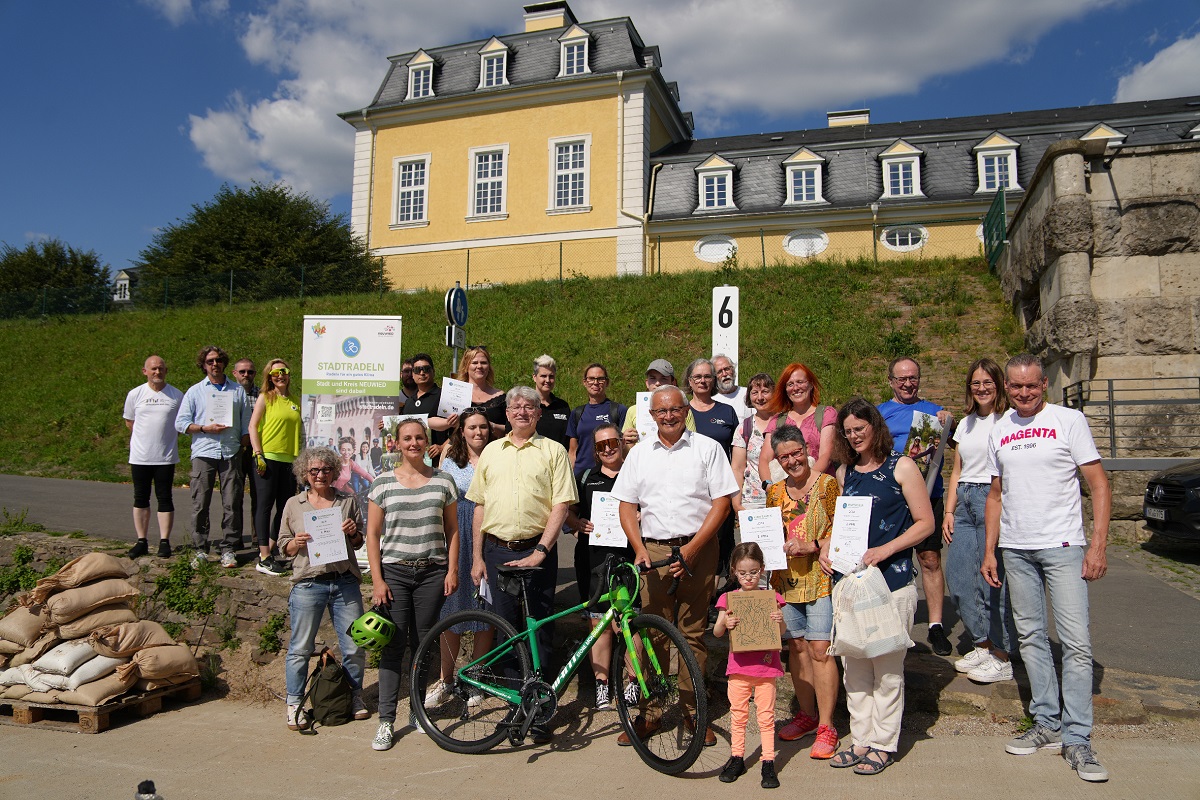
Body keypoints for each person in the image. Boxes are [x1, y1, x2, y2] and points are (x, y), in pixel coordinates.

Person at [982, 354, 1112, 782]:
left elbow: (1098, 484)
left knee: (1076, 643)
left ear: (1044, 386)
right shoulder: (999, 429)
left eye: (1032, 387)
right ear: (1007, 388)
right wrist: (990, 550)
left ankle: (1078, 738)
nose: (1023, 394)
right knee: (1032, 637)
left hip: (1063, 545)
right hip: (1017, 548)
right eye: (1016, 387)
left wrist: (1097, 546)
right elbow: (997, 494)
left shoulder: (1068, 421)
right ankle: (1046, 722)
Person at [611, 384, 739, 747]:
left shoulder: (708, 449)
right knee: (653, 634)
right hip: (653, 552)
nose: (667, 416)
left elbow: (721, 504)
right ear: (651, 415)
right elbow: (626, 505)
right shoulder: (639, 455)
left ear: (686, 411)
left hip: (699, 549)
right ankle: (650, 714)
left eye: (674, 409)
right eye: (660, 411)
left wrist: (694, 550)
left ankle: (692, 712)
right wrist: (638, 549)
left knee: (693, 634)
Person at [818, 397, 934, 775]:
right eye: (848, 432)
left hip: (892, 582)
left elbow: (925, 523)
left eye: (859, 429)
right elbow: (840, 525)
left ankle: (884, 744)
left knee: (886, 668)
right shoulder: (844, 472)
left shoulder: (902, 466)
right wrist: (825, 549)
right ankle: (861, 738)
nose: (854, 437)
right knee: (855, 669)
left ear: (875, 428)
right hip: (851, 583)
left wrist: (887, 548)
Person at [466, 385, 577, 742]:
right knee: (507, 630)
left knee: (540, 629)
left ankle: (542, 708)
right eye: (515, 407)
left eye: (529, 407)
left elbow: (561, 504)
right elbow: (479, 506)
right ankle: (517, 702)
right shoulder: (491, 452)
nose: (522, 412)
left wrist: (542, 550)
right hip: (497, 552)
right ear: (508, 414)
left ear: (538, 413)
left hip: (537, 551)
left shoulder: (553, 450)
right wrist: (477, 556)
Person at [366, 418, 459, 751]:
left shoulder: (444, 481)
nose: (414, 443)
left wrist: (452, 570)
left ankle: (418, 711)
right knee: (393, 646)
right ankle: (386, 721)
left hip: (432, 573)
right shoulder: (382, 484)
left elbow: (452, 531)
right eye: (408, 438)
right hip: (395, 574)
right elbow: (373, 535)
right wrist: (377, 580)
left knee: (424, 644)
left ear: (426, 440)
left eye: (420, 437)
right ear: (397, 442)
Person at [278, 446, 369, 729]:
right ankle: (294, 703)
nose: (320, 475)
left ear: (334, 472)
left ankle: (355, 696)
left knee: (354, 646)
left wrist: (353, 533)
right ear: (305, 473)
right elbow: (283, 545)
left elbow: (358, 543)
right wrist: (297, 543)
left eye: (325, 470)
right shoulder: (294, 504)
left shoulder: (347, 501)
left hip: (343, 581)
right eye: (314, 470)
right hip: (308, 583)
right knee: (300, 648)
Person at [765, 425, 841, 759]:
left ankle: (827, 725)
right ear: (777, 460)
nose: (793, 460)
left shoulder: (827, 485)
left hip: (820, 578)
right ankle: (807, 715)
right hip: (786, 580)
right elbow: (768, 536)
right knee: (796, 647)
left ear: (806, 450)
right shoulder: (775, 492)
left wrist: (811, 545)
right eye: (785, 456)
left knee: (820, 649)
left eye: (797, 452)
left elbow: (844, 530)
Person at [944, 358, 1016, 683]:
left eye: (988, 382)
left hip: (993, 497)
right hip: (964, 502)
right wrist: (948, 510)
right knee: (959, 578)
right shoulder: (966, 423)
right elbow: (956, 471)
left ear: (998, 384)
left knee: (991, 581)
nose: (982, 388)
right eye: (976, 382)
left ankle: (1001, 655)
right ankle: (982, 643)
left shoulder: (1009, 420)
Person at [877, 357, 954, 656]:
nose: (907, 383)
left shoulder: (935, 412)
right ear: (891, 381)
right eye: (901, 379)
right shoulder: (881, 413)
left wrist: (951, 423)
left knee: (930, 559)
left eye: (913, 378)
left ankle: (935, 625)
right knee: (889, 558)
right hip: (893, 497)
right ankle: (889, 620)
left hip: (928, 494)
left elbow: (957, 445)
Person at [427, 408, 495, 707]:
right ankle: (446, 678)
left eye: (482, 427)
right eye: (472, 428)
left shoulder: (497, 455)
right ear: (462, 430)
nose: (478, 432)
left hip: (489, 530)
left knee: (486, 606)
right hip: (456, 530)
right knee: (451, 607)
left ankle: (476, 677)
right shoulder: (450, 458)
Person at [563, 422, 633, 710]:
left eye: (612, 442)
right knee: (597, 622)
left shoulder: (635, 474)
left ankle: (632, 683)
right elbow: (567, 510)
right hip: (593, 560)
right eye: (601, 445)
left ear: (621, 442)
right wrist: (576, 523)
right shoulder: (586, 477)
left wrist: (640, 517)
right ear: (595, 449)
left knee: (628, 622)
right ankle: (602, 686)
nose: (608, 448)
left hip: (628, 557)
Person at [713, 542, 785, 789]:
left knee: (766, 717)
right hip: (739, 668)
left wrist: (779, 620)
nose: (749, 577)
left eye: (754, 572)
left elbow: (782, 632)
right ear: (734, 571)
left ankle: (768, 761)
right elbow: (717, 631)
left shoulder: (772, 597)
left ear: (762, 569)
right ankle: (737, 757)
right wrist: (727, 624)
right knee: (739, 715)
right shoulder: (728, 599)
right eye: (743, 573)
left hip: (766, 668)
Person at [175, 345, 251, 568]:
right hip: (204, 451)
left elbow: (246, 421)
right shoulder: (195, 391)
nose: (215, 364)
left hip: (230, 452)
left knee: (232, 502)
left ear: (224, 362)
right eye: (210, 361)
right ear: (204, 365)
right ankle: (200, 549)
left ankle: (229, 548)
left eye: (218, 360)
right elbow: (180, 423)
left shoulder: (237, 391)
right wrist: (203, 428)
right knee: (200, 502)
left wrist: (246, 439)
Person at [123, 355, 184, 559]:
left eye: (161, 368)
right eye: (153, 369)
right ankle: (141, 541)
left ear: (166, 371)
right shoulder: (135, 394)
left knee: (165, 498)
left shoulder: (176, 395)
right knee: (140, 498)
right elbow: (130, 422)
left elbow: (180, 424)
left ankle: (164, 541)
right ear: (145, 371)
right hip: (140, 457)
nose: (157, 372)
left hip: (165, 458)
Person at [685, 358, 739, 582]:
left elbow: (737, 455)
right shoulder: (680, 411)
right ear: (689, 381)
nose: (703, 381)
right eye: (697, 377)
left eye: (708, 376)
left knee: (720, 542)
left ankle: (713, 598)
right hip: (690, 488)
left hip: (719, 488)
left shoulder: (727, 412)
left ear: (715, 379)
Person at [247, 359, 303, 576]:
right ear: (269, 377)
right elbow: (253, 425)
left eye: (284, 371)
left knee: (284, 508)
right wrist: (258, 453)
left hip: (289, 460)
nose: (280, 376)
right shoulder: (265, 397)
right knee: (265, 505)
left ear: (289, 374)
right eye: (275, 373)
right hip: (268, 457)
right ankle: (263, 556)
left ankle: (269, 551)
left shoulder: (294, 401)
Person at [757, 362, 838, 481]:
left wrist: (805, 485)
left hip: (819, 488)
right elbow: (764, 459)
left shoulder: (826, 414)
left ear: (810, 385)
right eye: (790, 384)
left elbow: (826, 456)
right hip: (785, 493)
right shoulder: (777, 421)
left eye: (800, 382)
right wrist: (769, 485)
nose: (795, 388)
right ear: (785, 390)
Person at [731, 372, 784, 514]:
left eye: (765, 392)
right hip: (753, 501)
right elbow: (737, 468)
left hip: (785, 498)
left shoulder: (785, 422)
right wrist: (736, 503)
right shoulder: (744, 428)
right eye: (754, 392)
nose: (760, 397)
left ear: (774, 393)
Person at [567, 363, 627, 478]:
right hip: (581, 476)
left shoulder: (618, 410)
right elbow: (572, 451)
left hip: (610, 475)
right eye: (591, 379)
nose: (595, 382)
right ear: (585, 382)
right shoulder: (577, 413)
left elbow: (624, 447)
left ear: (607, 382)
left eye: (600, 379)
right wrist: (569, 477)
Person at [621, 358, 695, 447]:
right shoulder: (633, 410)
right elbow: (625, 453)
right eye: (653, 378)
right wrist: (625, 442)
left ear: (673, 382)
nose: (658, 383)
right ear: (647, 383)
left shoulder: (682, 410)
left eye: (663, 378)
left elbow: (692, 441)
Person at [402, 352, 456, 462]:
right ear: (413, 374)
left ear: (433, 371)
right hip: (414, 463)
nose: (422, 373)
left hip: (439, 462)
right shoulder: (408, 402)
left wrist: (442, 447)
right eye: (417, 370)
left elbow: (459, 428)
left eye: (426, 369)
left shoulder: (445, 396)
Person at [233, 357, 260, 545]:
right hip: (235, 448)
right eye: (242, 372)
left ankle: (259, 539)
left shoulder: (263, 393)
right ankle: (234, 538)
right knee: (233, 494)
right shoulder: (230, 393)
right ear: (235, 373)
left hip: (257, 448)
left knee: (258, 495)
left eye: (250, 372)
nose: (246, 375)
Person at [457, 346, 506, 435]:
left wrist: (493, 426)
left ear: (489, 367)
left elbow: (513, 427)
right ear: (466, 367)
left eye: (483, 363)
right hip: (461, 446)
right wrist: (447, 423)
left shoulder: (501, 397)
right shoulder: (456, 393)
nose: (479, 366)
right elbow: (432, 420)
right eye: (474, 363)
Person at [533, 354, 571, 449]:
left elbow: (571, 441)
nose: (548, 380)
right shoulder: (525, 405)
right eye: (543, 376)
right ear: (534, 377)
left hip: (559, 461)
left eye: (551, 376)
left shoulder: (563, 407)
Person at [712, 354, 752, 420]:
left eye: (727, 369)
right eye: (719, 372)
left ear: (733, 370)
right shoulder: (711, 400)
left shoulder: (748, 394)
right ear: (714, 377)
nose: (724, 374)